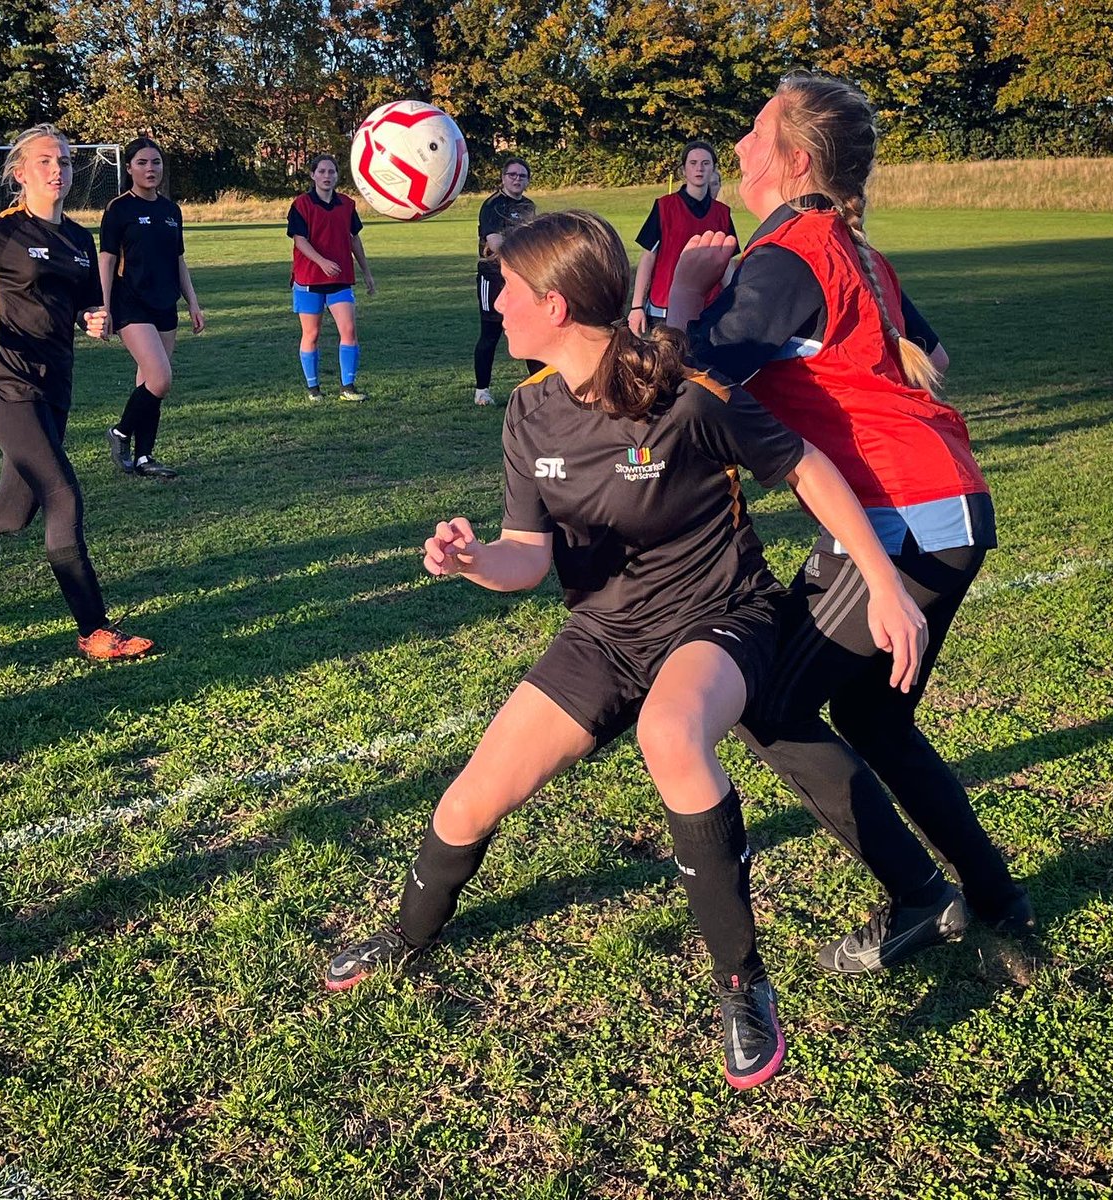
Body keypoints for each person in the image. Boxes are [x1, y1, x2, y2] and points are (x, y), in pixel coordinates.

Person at [324, 210, 930, 1090]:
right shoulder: (530, 413)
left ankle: (741, 984)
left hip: (720, 615)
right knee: (468, 801)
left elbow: (803, 466)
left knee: (671, 735)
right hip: (603, 634)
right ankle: (404, 937)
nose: (493, 301)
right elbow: (526, 560)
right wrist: (468, 561)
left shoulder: (683, 391)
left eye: (506, 287)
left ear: (556, 305)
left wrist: (877, 579)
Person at [666, 71, 1034, 973]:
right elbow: (930, 356)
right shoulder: (848, 247)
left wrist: (683, 300)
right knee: (875, 716)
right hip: (948, 503)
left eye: (756, 132)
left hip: (906, 517)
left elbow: (687, 383)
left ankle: (919, 898)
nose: (741, 145)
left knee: (769, 699)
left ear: (793, 158)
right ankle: (998, 901)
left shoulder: (789, 254)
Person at [0, 125, 154, 661]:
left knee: (9, 513)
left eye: (63, 160)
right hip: (4, 385)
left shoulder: (80, 241)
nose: (58, 168)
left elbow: (85, 306)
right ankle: (95, 630)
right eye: (44, 161)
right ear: (20, 172)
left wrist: (93, 319)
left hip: (54, 386)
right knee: (63, 494)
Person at [100, 136, 204, 480]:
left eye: (155, 162)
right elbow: (107, 259)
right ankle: (119, 433)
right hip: (131, 303)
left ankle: (145, 457)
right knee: (160, 379)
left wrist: (193, 302)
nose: (150, 169)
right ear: (128, 167)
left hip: (165, 305)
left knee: (148, 381)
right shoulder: (118, 209)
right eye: (142, 163)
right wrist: (104, 307)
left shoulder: (171, 211)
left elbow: (179, 260)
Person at [287, 153, 375, 402]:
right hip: (309, 280)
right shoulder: (301, 205)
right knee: (311, 334)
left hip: (340, 280)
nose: (327, 176)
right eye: (322, 171)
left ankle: (348, 387)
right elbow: (299, 240)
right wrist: (322, 262)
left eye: (331, 172)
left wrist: (366, 272)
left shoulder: (347, 205)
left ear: (337, 176)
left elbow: (354, 239)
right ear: (313, 175)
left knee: (349, 330)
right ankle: (313, 389)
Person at [628, 141, 735, 337]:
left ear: (713, 169)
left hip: (708, 308)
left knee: (700, 366)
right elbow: (648, 257)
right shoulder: (664, 207)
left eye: (705, 163)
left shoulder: (722, 213)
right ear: (684, 170)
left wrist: (734, 303)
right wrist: (637, 307)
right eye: (693, 163)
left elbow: (725, 264)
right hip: (665, 307)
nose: (699, 168)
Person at [473, 157, 541, 406]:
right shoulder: (492, 205)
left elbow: (535, 241)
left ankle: (538, 387)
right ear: (503, 178)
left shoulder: (529, 206)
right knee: (490, 333)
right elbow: (495, 243)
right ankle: (482, 390)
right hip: (493, 277)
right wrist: (521, 251)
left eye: (522, 176)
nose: (517, 179)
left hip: (523, 277)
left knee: (530, 331)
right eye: (512, 175)